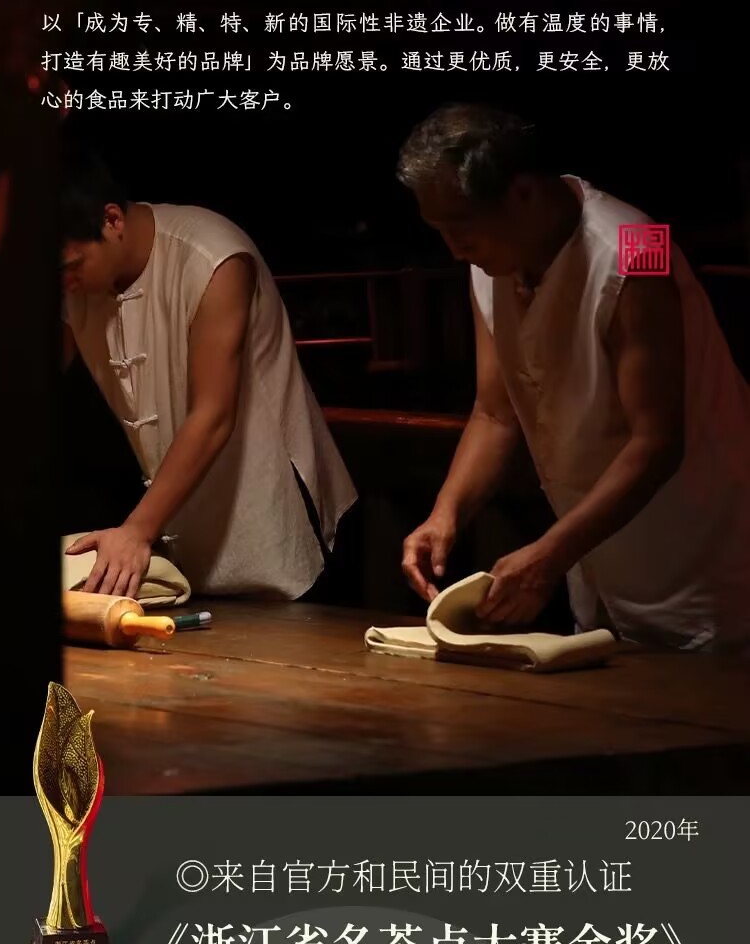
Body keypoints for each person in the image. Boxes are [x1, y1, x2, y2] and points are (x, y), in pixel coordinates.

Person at [398, 104, 750, 653]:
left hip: (698, 550)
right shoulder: (489, 261)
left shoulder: (640, 242)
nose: (453, 249)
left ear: (522, 193)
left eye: (461, 228)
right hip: (594, 551)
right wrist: (447, 512)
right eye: (439, 230)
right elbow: (495, 412)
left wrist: (549, 555)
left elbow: (658, 443)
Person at [60, 140, 357, 601]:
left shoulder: (210, 255)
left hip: (273, 506)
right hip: (179, 525)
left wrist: (136, 529)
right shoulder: (74, 283)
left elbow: (214, 414)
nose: (65, 282)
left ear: (112, 220)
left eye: (71, 266)